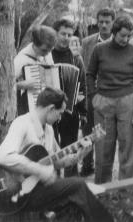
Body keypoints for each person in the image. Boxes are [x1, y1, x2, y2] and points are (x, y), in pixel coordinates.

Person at [0, 87, 114, 222]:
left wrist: (80, 155)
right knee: (79, 185)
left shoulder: (49, 130)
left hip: (38, 189)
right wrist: (39, 170)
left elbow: (57, 160)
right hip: (17, 192)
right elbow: (3, 156)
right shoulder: (22, 123)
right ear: (51, 108)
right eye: (60, 112)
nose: (60, 117)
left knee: (76, 199)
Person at [87, 15, 133, 184]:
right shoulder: (99, 49)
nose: (126, 39)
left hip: (127, 101)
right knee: (103, 145)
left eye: (129, 36)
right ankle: (102, 188)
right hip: (103, 101)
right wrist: (93, 97)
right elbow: (90, 74)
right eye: (122, 36)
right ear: (114, 32)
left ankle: (125, 189)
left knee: (127, 147)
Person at [81, 7, 115, 177]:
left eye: (107, 22)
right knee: (87, 131)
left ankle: (104, 168)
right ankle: (87, 165)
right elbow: (83, 68)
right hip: (90, 94)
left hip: (110, 96)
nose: (103, 25)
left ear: (113, 23)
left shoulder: (120, 41)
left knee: (106, 133)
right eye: (100, 22)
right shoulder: (87, 42)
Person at [52, 18, 86, 177]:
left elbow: (83, 85)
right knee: (51, 151)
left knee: (70, 148)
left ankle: (70, 184)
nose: (66, 37)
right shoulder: (46, 56)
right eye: (63, 34)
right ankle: (54, 184)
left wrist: (83, 110)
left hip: (70, 112)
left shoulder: (76, 58)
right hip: (49, 111)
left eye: (69, 34)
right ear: (55, 33)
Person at [14, 25, 57, 115]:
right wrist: (22, 85)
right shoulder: (21, 60)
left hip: (47, 106)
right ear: (34, 43)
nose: (47, 53)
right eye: (44, 50)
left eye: (50, 50)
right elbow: (7, 87)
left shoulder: (47, 53)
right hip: (28, 108)